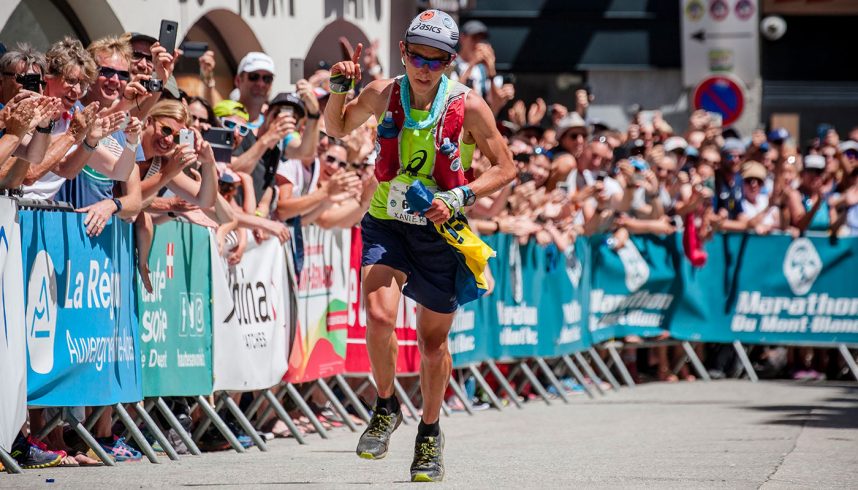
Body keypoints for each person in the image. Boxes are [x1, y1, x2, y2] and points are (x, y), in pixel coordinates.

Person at [324, 9, 515, 482]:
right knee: (380, 315)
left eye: (437, 60)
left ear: (450, 62)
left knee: (432, 346)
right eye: (417, 56)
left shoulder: (468, 105)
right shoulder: (385, 92)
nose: (425, 68)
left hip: (440, 232)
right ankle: (386, 405)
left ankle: (429, 433)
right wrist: (336, 90)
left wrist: (458, 196)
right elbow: (336, 128)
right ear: (404, 52)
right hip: (387, 221)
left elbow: (506, 167)